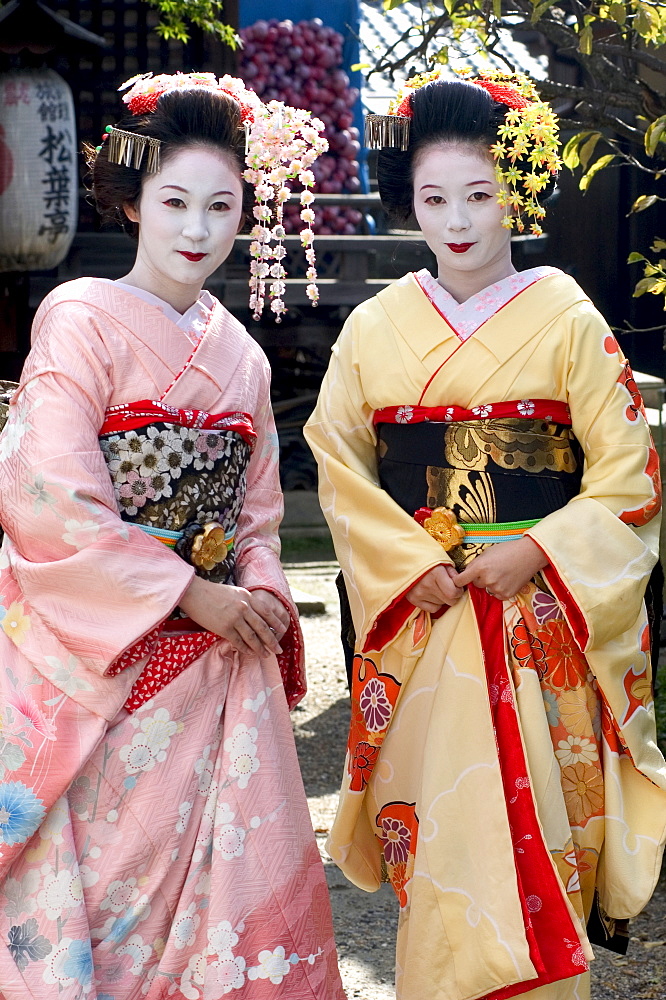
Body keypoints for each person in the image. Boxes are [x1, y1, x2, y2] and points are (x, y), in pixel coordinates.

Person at [304, 70, 666, 1000]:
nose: (458, 218)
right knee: (439, 835)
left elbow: (628, 472)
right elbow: (340, 465)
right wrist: (411, 560)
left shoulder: (568, 317)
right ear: (408, 202)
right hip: (427, 619)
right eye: (433, 198)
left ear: (514, 191)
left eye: (479, 193)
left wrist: (540, 550)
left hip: (539, 614)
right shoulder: (374, 328)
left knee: (547, 830)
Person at [0, 72, 344, 999]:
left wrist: (262, 592)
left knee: (217, 911)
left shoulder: (243, 354)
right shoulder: (77, 319)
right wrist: (187, 590)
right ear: (134, 201)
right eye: (175, 203)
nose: (197, 230)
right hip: (110, 661)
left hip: (214, 666)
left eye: (220, 207)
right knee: (110, 896)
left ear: (245, 213)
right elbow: (50, 496)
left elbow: (260, 513)